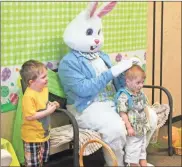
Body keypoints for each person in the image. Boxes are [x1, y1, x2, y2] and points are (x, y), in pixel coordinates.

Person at [58, 2, 157, 166]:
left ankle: (133, 160)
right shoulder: (68, 63)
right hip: (87, 107)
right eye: (90, 33)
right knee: (116, 128)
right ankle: (115, 163)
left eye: (98, 32)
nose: (96, 38)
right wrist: (112, 71)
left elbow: (115, 84)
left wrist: (126, 72)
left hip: (113, 101)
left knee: (150, 117)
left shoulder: (101, 56)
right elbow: (84, 90)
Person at [20, 60, 59, 167]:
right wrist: (48, 111)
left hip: (44, 134)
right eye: (43, 77)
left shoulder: (44, 89)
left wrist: (52, 104)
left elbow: (43, 104)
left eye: (46, 76)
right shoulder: (29, 96)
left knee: (42, 161)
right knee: (33, 164)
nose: (46, 79)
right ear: (31, 82)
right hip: (32, 137)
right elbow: (30, 116)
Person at [115, 65, 151, 167]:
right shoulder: (124, 96)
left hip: (142, 128)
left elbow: (143, 108)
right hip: (133, 130)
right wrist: (129, 127)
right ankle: (133, 164)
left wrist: (146, 122)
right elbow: (123, 112)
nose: (141, 85)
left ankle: (143, 163)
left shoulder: (139, 93)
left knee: (142, 149)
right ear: (128, 82)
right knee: (133, 150)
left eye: (142, 82)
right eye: (138, 83)